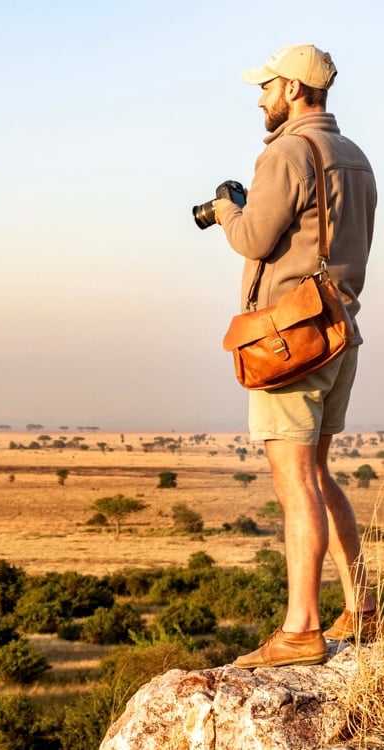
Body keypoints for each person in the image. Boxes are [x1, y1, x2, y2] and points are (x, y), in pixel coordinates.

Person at [213, 44, 378, 669]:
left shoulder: (283, 153)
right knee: (321, 471)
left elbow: (254, 237)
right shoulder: (356, 157)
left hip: (291, 341)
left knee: (294, 483)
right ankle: (362, 606)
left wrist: (228, 210)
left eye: (266, 88)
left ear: (292, 90)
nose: (260, 98)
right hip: (341, 332)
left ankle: (301, 629)